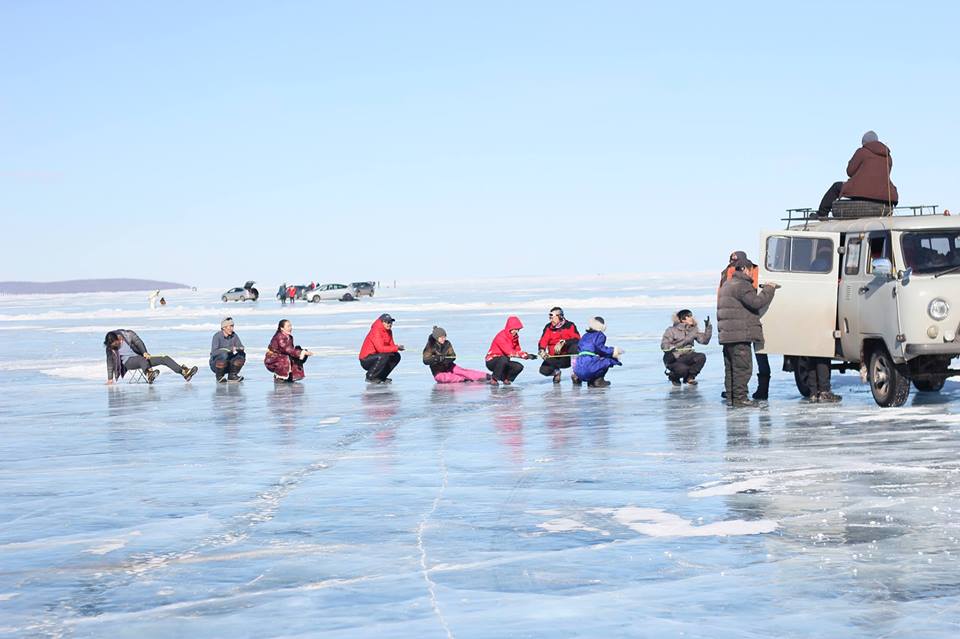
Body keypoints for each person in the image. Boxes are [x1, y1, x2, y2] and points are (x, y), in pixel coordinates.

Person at [717, 257, 777, 407]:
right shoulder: (742, 285)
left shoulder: (727, 284)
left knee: (731, 369)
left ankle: (731, 397)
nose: (751, 273)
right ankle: (740, 399)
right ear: (744, 269)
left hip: (727, 335)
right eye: (750, 270)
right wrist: (769, 289)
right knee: (742, 369)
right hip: (740, 334)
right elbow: (756, 302)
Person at [817, 130, 899, 218]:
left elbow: (850, 171)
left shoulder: (862, 151)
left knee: (836, 186)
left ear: (864, 143)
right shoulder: (888, 156)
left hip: (862, 191)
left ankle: (822, 213)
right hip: (885, 195)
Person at [104, 329, 198, 384]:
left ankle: (184, 372)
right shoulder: (110, 347)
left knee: (164, 358)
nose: (114, 346)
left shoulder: (128, 334)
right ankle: (149, 374)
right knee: (141, 359)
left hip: (141, 359)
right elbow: (109, 362)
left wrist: (144, 352)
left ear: (118, 338)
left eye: (115, 344)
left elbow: (138, 342)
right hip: (127, 362)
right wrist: (110, 378)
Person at [660, 309, 712, 386]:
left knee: (701, 357)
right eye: (689, 316)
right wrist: (671, 348)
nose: (692, 318)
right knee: (683, 369)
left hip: (687, 356)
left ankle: (689, 378)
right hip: (674, 358)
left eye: (691, 316)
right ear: (682, 319)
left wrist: (708, 327)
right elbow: (664, 344)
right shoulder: (671, 330)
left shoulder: (693, 330)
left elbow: (704, 341)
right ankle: (673, 377)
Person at [422, 326, 489, 383]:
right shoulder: (430, 346)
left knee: (463, 371)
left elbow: (453, 356)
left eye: (444, 337)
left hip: (449, 366)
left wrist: (446, 359)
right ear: (436, 338)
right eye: (441, 337)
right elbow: (425, 360)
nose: (443, 339)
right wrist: (437, 358)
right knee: (446, 377)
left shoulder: (447, 343)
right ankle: (464, 380)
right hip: (438, 372)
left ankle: (485, 376)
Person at [572, 317, 623, 387]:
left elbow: (580, 348)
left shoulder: (585, 335)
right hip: (588, 367)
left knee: (595, 360)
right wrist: (614, 351)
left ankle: (589, 381)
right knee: (608, 360)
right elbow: (601, 348)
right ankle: (598, 381)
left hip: (578, 368)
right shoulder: (600, 335)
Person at [486, 316, 536, 385]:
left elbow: (517, 350)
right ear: (509, 328)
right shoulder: (501, 336)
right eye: (515, 329)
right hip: (492, 362)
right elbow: (509, 352)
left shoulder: (514, 337)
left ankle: (506, 379)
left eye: (518, 329)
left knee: (518, 367)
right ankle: (494, 379)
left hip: (504, 362)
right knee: (504, 358)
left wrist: (527, 355)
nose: (516, 331)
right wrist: (525, 356)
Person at [537, 307, 581, 384]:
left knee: (575, 347)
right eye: (550, 318)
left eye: (552, 317)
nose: (551, 320)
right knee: (543, 370)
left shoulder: (569, 325)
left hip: (567, 358)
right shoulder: (548, 327)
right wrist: (541, 350)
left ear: (560, 316)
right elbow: (543, 340)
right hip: (554, 358)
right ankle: (557, 372)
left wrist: (564, 342)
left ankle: (575, 373)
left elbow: (577, 339)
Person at [359, 313, 404, 383]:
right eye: (387, 322)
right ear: (382, 322)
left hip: (378, 358)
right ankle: (370, 376)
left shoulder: (389, 331)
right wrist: (395, 348)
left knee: (396, 356)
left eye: (391, 322)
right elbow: (380, 349)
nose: (390, 324)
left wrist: (397, 348)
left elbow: (391, 346)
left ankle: (381, 377)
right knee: (384, 356)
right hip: (366, 360)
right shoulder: (376, 331)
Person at [209, 317, 245, 382]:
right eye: (230, 326)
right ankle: (219, 376)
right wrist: (229, 349)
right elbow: (214, 352)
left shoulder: (234, 335)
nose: (232, 328)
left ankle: (232, 375)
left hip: (229, 363)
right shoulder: (217, 336)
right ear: (224, 327)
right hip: (216, 364)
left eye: (232, 326)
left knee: (242, 355)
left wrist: (240, 348)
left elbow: (240, 346)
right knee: (224, 355)